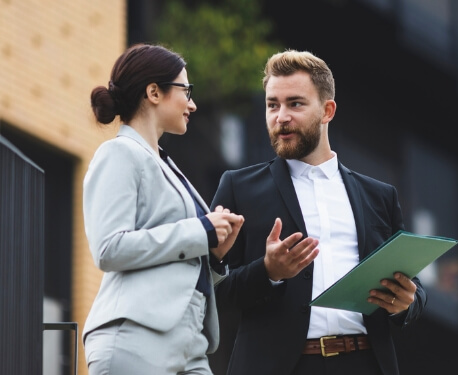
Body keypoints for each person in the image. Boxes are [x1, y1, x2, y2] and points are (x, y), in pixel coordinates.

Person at [211, 49, 427, 375]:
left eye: (295, 104)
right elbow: (208, 292)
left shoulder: (379, 196)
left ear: (327, 110)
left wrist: (406, 303)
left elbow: (413, 286)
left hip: (365, 362)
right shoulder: (238, 188)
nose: (280, 116)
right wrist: (267, 271)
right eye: (273, 105)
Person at [82, 43, 244, 375]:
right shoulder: (119, 154)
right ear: (154, 92)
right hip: (136, 338)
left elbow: (176, 268)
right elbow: (108, 248)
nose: (193, 104)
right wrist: (200, 231)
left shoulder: (165, 165)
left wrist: (213, 254)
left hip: (191, 344)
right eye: (186, 91)